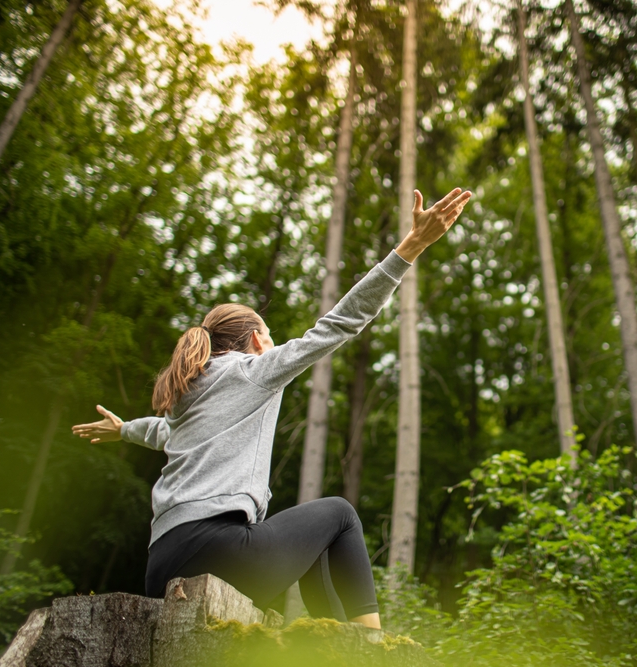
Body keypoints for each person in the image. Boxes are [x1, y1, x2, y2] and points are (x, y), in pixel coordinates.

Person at [72, 187, 472, 630]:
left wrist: (125, 429)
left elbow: (162, 432)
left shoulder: (190, 392)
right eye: (271, 334)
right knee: (340, 513)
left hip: (161, 565)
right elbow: (339, 323)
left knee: (318, 540)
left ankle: (335, 646)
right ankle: (370, 648)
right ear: (259, 340)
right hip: (218, 550)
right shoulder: (252, 370)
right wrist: (411, 246)